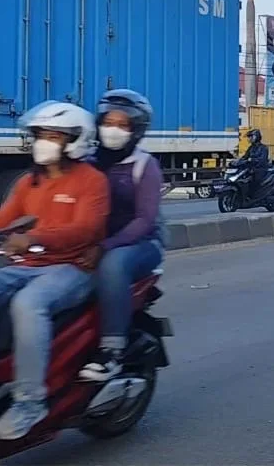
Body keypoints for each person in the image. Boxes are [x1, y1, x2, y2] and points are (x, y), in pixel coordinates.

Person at [0, 101, 108, 440]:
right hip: (24, 266)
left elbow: (86, 230)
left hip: (71, 269)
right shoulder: (28, 183)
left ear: (74, 140)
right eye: (39, 135)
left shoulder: (92, 182)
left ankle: (31, 402)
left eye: (52, 135)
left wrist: (32, 237)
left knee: (29, 305)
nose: (43, 142)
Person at [79, 89, 165, 383]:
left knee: (112, 265)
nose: (113, 129)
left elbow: (145, 219)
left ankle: (111, 351)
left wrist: (107, 246)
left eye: (123, 124)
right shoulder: (87, 161)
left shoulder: (145, 165)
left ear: (136, 130)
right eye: (108, 121)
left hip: (141, 244)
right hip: (94, 242)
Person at [242, 128, 270, 200]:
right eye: (249, 137)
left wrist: (253, 160)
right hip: (251, 168)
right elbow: (245, 157)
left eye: (251, 137)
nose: (249, 139)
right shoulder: (251, 148)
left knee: (253, 180)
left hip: (260, 169)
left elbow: (262, 160)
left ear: (256, 137)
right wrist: (237, 161)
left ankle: (254, 196)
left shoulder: (263, 148)